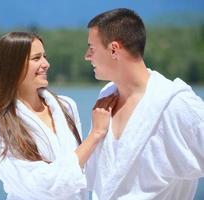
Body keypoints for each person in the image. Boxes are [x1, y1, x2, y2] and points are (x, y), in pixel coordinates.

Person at [84, 8, 204, 200]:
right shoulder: (106, 97)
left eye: (91, 48)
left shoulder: (175, 104)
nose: (87, 56)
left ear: (114, 49)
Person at [0, 31, 110, 200]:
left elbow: (84, 169)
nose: (46, 64)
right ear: (13, 66)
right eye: (36, 58)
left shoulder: (66, 106)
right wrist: (95, 135)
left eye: (45, 56)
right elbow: (40, 185)